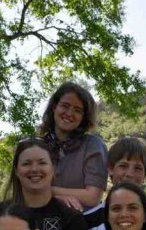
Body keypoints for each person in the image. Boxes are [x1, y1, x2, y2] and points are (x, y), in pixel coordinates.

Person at [83, 137, 146, 230]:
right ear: (110, 169)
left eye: (137, 168)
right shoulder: (89, 219)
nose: (129, 174)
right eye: (123, 166)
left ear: (145, 175)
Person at [38, 82, 108, 211]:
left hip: (82, 224)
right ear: (54, 107)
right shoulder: (36, 147)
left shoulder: (93, 145)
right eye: (65, 106)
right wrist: (57, 197)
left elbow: (92, 197)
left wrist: (47, 190)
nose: (69, 113)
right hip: (38, 224)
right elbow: (22, 190)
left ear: (83, 117)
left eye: (77, 110)